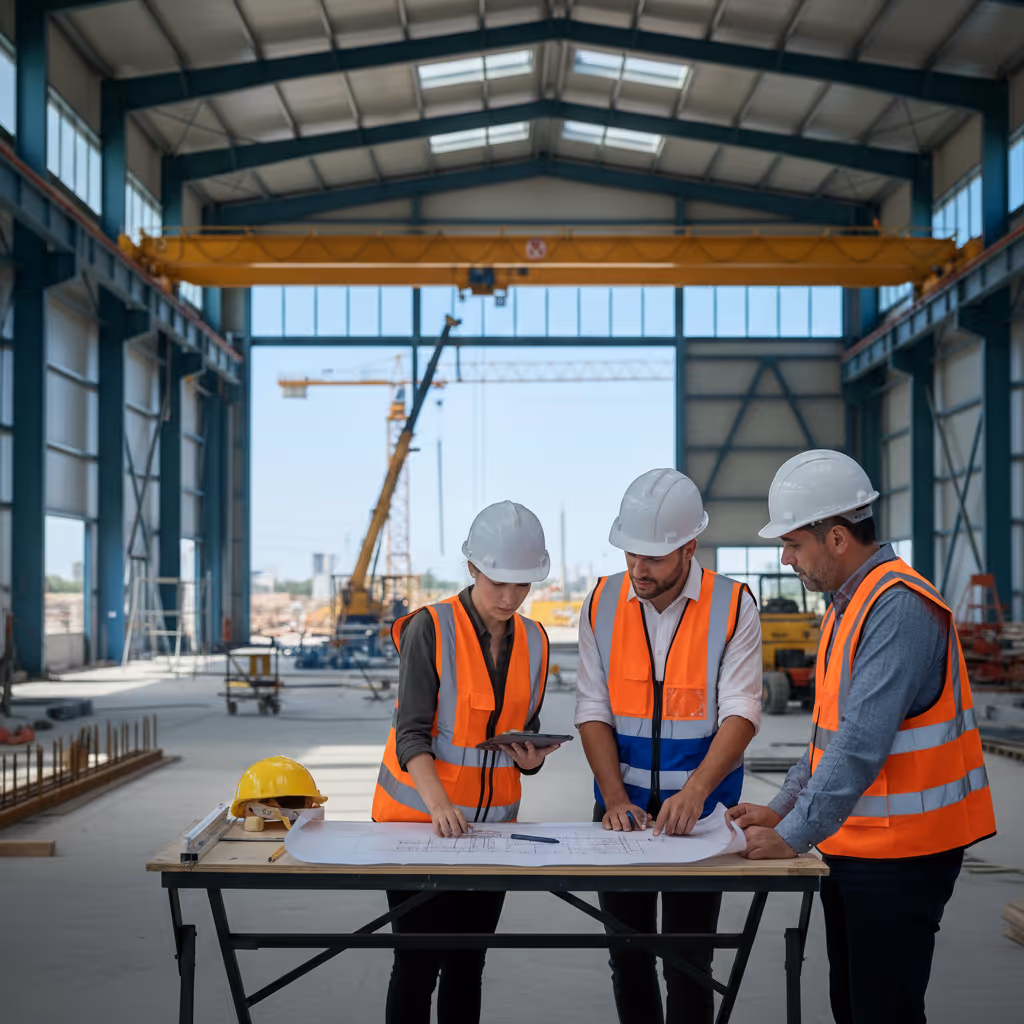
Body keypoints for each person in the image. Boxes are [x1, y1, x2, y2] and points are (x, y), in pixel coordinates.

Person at [727, 449, 996, 1024]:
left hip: (905, 854)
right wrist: (781, 811)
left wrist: (794, 834)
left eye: (794, 544)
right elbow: (827, 736)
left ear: (839, 538)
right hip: (859, 844)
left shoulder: (898, 607)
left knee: (882, 1012)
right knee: (852, 1006)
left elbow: (860, 746)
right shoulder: (849, 607)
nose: (787, 557)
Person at [576, 468, 762, 1024]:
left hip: (701, 818)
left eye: (653, 558)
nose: (637, 569)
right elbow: (592, 709)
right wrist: (613, 798)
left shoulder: (734, 606)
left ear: (689, 548)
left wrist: (698, 791)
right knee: (628, 959)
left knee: (689, 962)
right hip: (619, 817)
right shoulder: (601, 602)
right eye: (631, 553)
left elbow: (742, 711)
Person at [371, 500, 562, 1024]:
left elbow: (522, 735)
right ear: (473, 567)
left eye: (521, 585)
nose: (509, 597)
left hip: (493, 831)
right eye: (498, 581)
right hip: (418, 827)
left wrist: (530, 760)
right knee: (416, 965)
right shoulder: (429, 629)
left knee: (467, 962)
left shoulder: (537, 641)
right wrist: (439, 806)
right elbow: (411, 734)